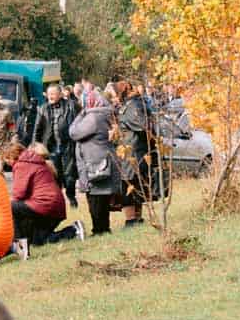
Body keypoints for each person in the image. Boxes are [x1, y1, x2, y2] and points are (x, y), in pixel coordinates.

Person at [9, 141, 83, 258]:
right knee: (38, 241)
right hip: (54, 207)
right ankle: (73, 230)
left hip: (45, 207)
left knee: (12, 207)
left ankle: (19, 244)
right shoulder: (42, 164)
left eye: (8, 160)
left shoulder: (22, 165)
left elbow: (19, 194)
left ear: (12, 157)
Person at [70, 89, 120, 236]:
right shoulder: (107, 114)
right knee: (102, 197)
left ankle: (99, 230)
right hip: (103, 160)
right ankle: (103, 228)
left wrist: (81, 114)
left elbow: (74, 133)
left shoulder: (94, 117)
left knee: (96, 198)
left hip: (94, 162)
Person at [113, 81, 156, 227]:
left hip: (134, 152)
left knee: (129, 185)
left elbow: (143, 126)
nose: (113, 99)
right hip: (136, 151)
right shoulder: (135, 103)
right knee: (136, 185)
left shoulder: (132, 106)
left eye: (114, 96)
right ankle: (136, 218)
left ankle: (131, 220)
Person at [32, 83, 81, 211]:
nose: (50, 96)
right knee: (54, 177)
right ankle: (58, 201)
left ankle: (71, 198)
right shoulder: (42, 108)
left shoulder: (71, 106)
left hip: (68, 145)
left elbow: (80, 123)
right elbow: (37, 129)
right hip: (51, 147)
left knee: (69, 176)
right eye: (49, 94)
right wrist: (35, 147)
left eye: (53, 94)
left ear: (60, 94)